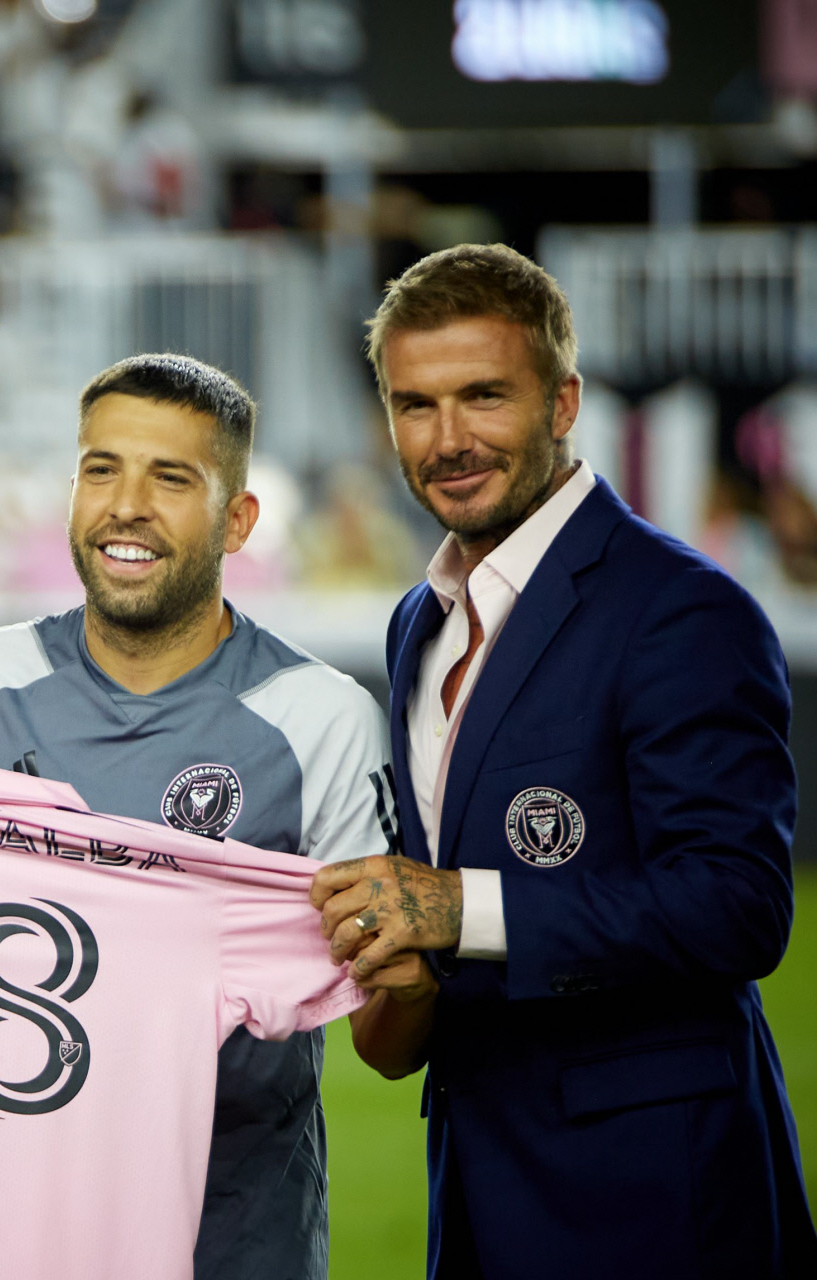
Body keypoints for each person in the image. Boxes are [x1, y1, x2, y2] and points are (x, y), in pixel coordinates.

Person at [313, 243, 817, 1278]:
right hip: (479, 1188)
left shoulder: (681, 609)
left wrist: (464, 907)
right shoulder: (423, 618)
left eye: (484, 395)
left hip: (658, 1204)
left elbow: (737, 904)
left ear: (564, 401)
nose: (448, 439)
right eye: (416, 404)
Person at [0, 352, 398, 1278]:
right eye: (101, 469)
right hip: (7, 1227)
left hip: (234, 1236)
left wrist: (417, 970)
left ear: (239, 520)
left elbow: (388, 1036)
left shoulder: (322, 719)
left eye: (170, 478)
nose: (125, 505)